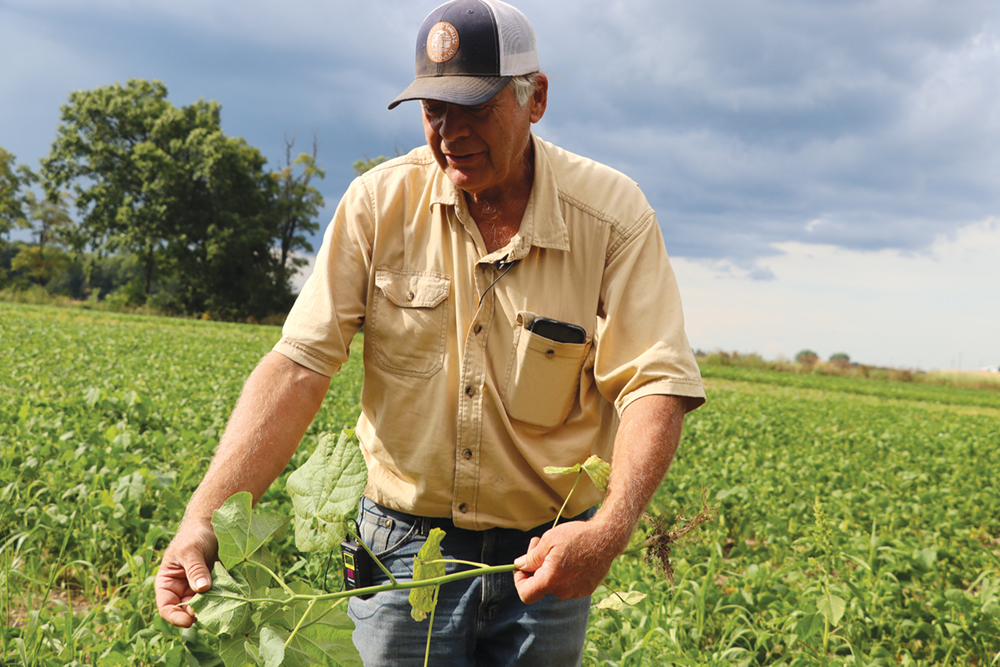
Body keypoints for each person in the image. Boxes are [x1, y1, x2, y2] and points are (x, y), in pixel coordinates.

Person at [155, 0, 706, 664]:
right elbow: (299, 365)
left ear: (536, 99)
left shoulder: (612, 216)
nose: (451, 132)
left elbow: (655, 384)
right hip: (396, 552)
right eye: (434, 110)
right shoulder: (378, 204)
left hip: (545, 557)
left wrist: (610, 529)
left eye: (475, 107)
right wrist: (202, 517)